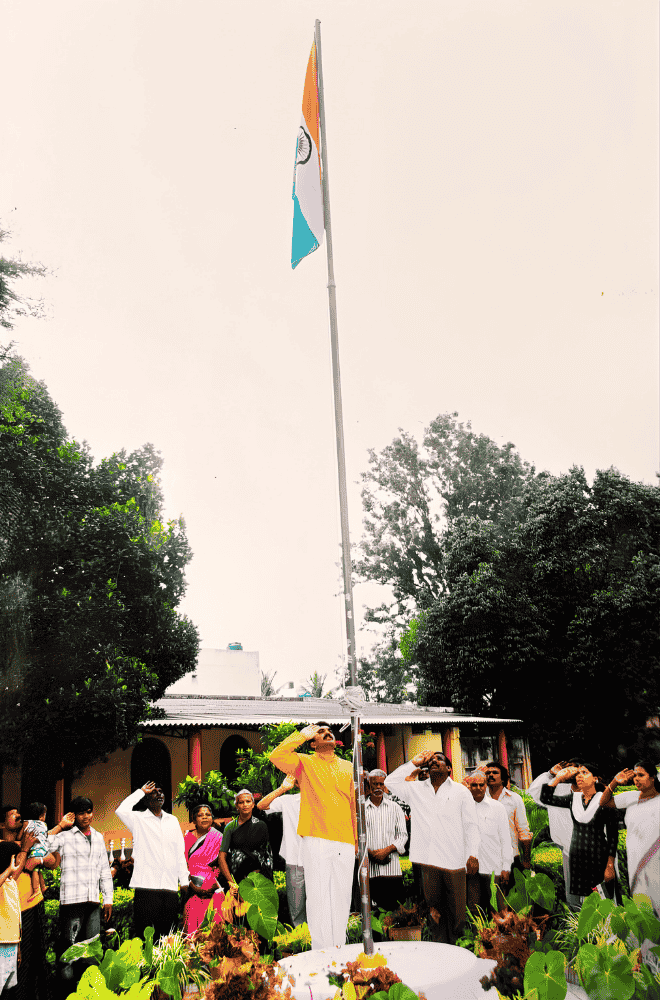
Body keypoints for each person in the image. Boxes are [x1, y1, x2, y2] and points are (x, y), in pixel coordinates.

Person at [269, 722, 357, 950]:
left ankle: (339, 949)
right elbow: (276, 756)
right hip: (316, 838)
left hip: (345, 841)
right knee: (318, 897)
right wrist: (301, 735)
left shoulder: (348, 766)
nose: (327, 733)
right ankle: (321, 952)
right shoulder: (304, 762)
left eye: (329, 731)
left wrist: (356, 841)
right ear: (313, 744)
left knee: (341, 897)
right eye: (320, 732)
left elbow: (353, 805)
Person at [386, 750, 479, 945]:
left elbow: (471, 825)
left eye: (440, 759)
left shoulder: (461, 791)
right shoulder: (416, 789)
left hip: (454, 860)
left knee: (457, 911)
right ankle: (440, 949)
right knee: (434, 911)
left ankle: (459, 949)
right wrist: (413, 763)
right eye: (431, 759)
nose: (434, 761)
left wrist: (473, 854)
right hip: (428, 861)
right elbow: (390, 782)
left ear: (449, 769)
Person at [47, 797, 113, 999]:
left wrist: (108, 898)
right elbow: (41, 845)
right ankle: (67, 994)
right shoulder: (65, 836)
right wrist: (60, 825)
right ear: (73, 815)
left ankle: (89, 994)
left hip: (92, 902)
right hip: (72, 902)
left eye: (89, 811)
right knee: (69, 951)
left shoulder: (99, 837)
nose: (86, 816)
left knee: (91, 951)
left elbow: (104, 869)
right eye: (81, 813)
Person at [115, 781, 188, 941]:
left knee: (167, 936)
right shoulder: (138, 819)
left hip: (169, 888)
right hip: (146, 887)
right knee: (144, 936)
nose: (159, 794)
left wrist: (184, 881)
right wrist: (141, 791)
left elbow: (179, 853)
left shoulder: (173, 821)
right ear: (146, 800)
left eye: (161, 792)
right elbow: (121, 810)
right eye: (154, 792)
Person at [540, 763, 619, 908]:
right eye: (577, 774)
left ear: (595, 778)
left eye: (585, 772)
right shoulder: (574, 799)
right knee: (585, 905)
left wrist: (610, 865)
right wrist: (557, 779)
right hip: (577, 858)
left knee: (603, 901)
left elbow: (613, 835)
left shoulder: (605, 800)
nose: (579, 776)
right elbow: (546, 798)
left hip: (598, 858)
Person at [1, 806, 59, 1000]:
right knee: (19, 966)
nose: (18, 815)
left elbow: (52, 861)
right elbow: (14, 873)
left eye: (18, 812)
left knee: (36, 961)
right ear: (2, 824)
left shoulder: (28, 837)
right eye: (12, 814)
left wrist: (38, 859)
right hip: (12, 913)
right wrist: (26, 850)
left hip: (33, 905)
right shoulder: (3, 846)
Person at [600, 760, 660, 918]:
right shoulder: (631, 797)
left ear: (653, 777)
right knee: (643, 909)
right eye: (635, 776)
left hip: (655, 861)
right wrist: (614, 782)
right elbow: (604, 802)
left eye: (641, 775)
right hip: (635, 861)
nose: (636, 779)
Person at [528, 759, 583, 908]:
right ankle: (576, 918)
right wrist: (551, 775)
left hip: (592, 847)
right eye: (568, 769)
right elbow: (534, 793)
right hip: (568, 848)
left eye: (576, 770)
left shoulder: (592, 791)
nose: (571, 773)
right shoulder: (556, 790)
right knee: (573, 894)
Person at [257, 774, 307, 927]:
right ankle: (301, 938)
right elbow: (261, 805)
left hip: (319, 860)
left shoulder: (325, 801)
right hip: (295, 859)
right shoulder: (289, 801)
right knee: (296, 908)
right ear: (297, 783)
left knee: (320, 906)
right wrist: (283, 788)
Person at [464, 773, 513, 915]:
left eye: (481, 784)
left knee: (497, 911)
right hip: (471, 870)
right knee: (474, 912)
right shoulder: (463, 808)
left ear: (486, 785)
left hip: (494, 868)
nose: (478, 788)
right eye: (474, 785)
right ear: (469, 787)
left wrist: (506, 867)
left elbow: (505, 838)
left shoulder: (497, 807)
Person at [364, 769, 408, 914]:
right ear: (369, 785)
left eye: (381, 784)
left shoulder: (395, 808)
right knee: (373, 915)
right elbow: (357, 837)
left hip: (392, 870)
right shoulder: (361, 809)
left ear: (385, 786)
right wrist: (371, 854)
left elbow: (402, 836)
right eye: (374, 784)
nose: (378, 787)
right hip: (370, 871)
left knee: (395, 914)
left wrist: (386, 851)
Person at [480, 761, 532, 879]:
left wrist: (526, 862)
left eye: (495, 773)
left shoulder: (514, 799)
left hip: (511, 857)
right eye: (487, 773)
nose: (490, 775)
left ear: (503, 778)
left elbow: (523, 830)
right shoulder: (479, 799)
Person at [218, 790, 273, 892]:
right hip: (236, 876)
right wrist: (231, 881)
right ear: (237, 806)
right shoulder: (230, 827)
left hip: (258, 878)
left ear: (253, 804)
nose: (245, 805)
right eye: (241, 802)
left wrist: (255, 877)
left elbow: (266, 855)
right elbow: (222, 856)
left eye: (248, 801)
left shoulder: (261, 825)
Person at [182, 804, 224, 934]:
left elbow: (223, 864)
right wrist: (193, 886)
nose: (205, 817)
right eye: (200, 815)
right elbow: (182, 865)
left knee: (215, 932)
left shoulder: (218, 837)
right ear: (194, 820)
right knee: (193, 931)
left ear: (212, 818)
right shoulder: (187, 839)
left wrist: (214, 885)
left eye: (208, 815)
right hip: (193, 889)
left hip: (214, 889)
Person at [23, 804, 57, 902]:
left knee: (35, 870)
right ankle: (43, 886)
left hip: (35, 850)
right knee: (39, 869)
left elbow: (23, 835)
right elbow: (45, 836)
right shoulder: (44, 825)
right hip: (44, 849)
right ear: (41, 816)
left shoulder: (27, 823)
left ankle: (36, 890)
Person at [0, 844, 21, 996]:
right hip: (1, 942)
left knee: (8, 987)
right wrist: (9, 870)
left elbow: (17, 916)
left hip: (12, 942)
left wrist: (18, 947)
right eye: (17, 857)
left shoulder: (12, 882)